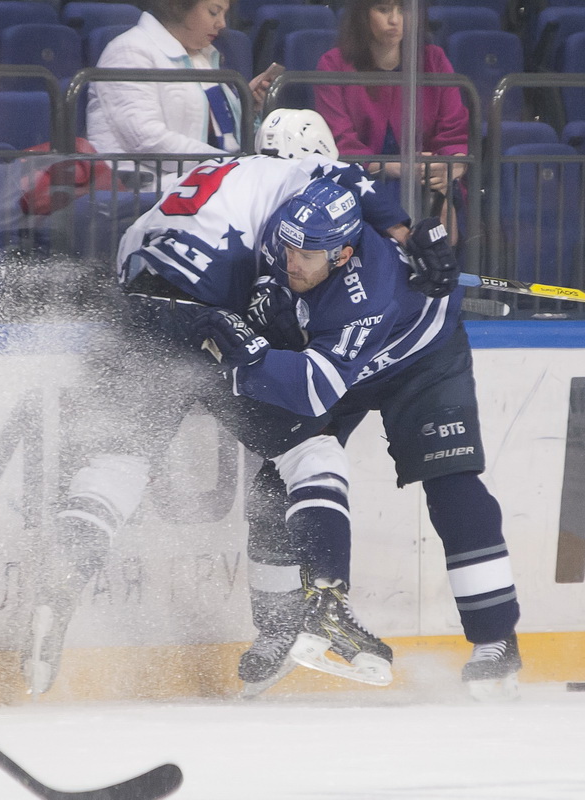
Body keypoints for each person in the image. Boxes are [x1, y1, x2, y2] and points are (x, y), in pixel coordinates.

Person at [20, 109, 442, 696]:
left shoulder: (220, 168)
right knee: (309, 449)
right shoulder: (306, 182)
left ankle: (57, 587)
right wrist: (404, 232)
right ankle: (324, 598)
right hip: (204, 304)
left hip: (133, 294)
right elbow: (353, 183)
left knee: (120, 460)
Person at [200, 176, 522, 700]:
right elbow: (342, 175)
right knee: (275, 485)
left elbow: (311, 388)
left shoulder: (364, 294)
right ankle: (279, 631)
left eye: (310, 255)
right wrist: (405, 224)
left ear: (345, 253)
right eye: (289, 247)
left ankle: (495, 641)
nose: (292, 261)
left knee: (452, 485)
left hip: (419, 358)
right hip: (334, 353)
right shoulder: (288, 231)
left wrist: (241, 360)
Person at [314, 0, 469, 234]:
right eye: (383, 10)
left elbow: (454, 133)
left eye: (403, 10)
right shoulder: (333, 64)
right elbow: (341, 144)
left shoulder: (434, 59)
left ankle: (444, 268)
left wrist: (449, 169)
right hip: (361, 179)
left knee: (445, 202)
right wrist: (401, 168)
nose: (395, 20)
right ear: (363, 14)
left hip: (426, 176)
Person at [86, 0, 273, 177]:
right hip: (144, 188)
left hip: (204, 180)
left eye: (225, 14)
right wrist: (229, 165)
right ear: (179, 7)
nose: (222, 24)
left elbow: (226, 138)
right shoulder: (128, 51)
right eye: (214, 12)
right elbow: (147, 141)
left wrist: (249, 107)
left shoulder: (203, 56)